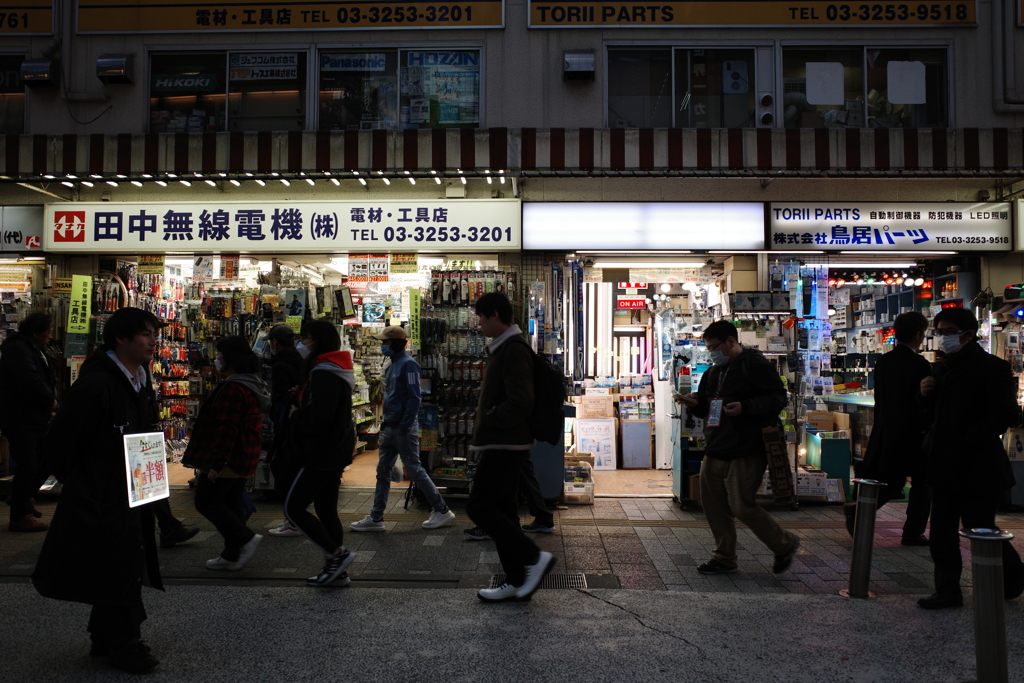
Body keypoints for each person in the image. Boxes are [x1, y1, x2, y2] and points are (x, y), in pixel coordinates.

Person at [32, 307, 167, 673]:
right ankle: (126, 645)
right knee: (120, 559)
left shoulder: (138, 378)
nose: (153, 341)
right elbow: (60, 441)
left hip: (133, 487)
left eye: (154, 334)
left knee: (121, 560)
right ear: (121, 338)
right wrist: (86, 480)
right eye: (146, 334)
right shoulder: (96, 384)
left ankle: (104, 635)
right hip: (102, 491)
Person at [916, 307, 1024, 609]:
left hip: (978, 464)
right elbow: (931, 417)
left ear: (968, 334)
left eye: (949, 332)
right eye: (939, 331)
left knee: (980, 527)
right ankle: (947, 589)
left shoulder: (991, 367)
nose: (943, 337)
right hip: (943, 462)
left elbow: (1006, 413)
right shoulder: (940, 368)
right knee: (941, 531)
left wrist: (969, 437)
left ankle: (1013, 579)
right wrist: (924, 396)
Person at [679, 320, 799, 576]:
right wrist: (693, 403)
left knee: (742, 505)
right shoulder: (714, 372)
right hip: (716, 446)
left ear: (730, 342)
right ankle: (724, 557)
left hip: (747, 447)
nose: (711, 352)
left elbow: (778, 397)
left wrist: (746, 407)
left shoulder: (754, 365)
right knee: (713, 505)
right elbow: (707, 404)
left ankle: (784, 543)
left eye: (714, 347)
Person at [468, 293, 555, 602]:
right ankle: (517, 580)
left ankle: (534, 558)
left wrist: (492, 419)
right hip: (503, 440)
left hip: (506, 442)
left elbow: (521, 400)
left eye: (480, 317)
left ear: (494, 315)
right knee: (503, 510)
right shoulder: (504, 347)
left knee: (479, 507)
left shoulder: (513, 349)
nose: (477, 323)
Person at [350, 325, 455, 532]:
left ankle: (442, 509)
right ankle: (376, 516)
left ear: (396, 344)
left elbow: (415, 397)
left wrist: (405, 426)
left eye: (385, 342)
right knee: (383, 471)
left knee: (415, 470)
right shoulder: (391, 364)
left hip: (402, 428)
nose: (382, 346)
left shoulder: (409, 365)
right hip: (390, 426)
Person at [181, 336, 269, 571]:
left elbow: (227, 428)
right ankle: (232, 555)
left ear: (231, 359)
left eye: (220, 356)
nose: (216, 360)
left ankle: (244, 539)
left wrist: (216, 464)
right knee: (231, 504)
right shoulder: (251, 384)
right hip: (244, 455)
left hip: (230, 459)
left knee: (205, 501)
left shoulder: (233, 388)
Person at [845, 312, 932, 545]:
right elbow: (922, 402)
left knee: (893, 480)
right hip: (914, 433)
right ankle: (913, 531)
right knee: (922, 483)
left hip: (886, 430)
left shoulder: (885, 361)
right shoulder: (921, 365)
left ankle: (859, 511)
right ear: (918, 335)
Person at [284, 320, 357, 587]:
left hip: (322, 451)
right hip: (335, 448)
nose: (301, 343)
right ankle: (337, 571)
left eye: (305, 338)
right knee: (326, 511)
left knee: (293, 508)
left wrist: (296, 415)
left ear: (319, 342)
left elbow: (320, 418)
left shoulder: (324, 372)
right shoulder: (331, 369)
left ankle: (337, 556)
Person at [0, 311, 58, 532]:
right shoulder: (17, 348)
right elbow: (29, 380)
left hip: (35, 417)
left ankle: (21, 498)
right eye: (48, 332)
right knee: (28, 465)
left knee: (46, 459)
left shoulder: (35, 348)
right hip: (20, 419)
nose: (50, 336)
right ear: (36, 332)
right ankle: (18, 516)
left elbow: (44, 378)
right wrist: (50, 403)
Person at [264, 324, 304, 533]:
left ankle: (293, 520)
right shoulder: (301, 361)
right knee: (291, 469)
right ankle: (295, 517)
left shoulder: (279, 365)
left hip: (287, 425)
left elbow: (280, 398)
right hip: (299, 424)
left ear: (275, 342)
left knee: (281, 469)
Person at [464, 461, 555, 540]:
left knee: (494, 470)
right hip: (519, 442)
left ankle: (493, 526)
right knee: (522, 470)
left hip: (506, 442)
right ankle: (541, 518)